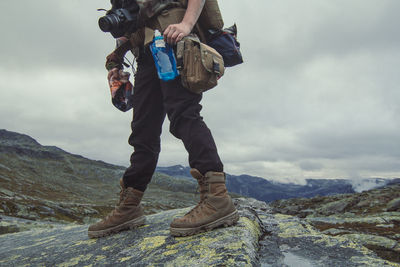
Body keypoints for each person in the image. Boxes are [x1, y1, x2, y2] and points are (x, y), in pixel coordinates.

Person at [88, 0, 238, 238]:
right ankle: (129, 206)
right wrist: (115, 60)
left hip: (174, 42)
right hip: (146, 53)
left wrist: (186, 24)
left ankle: (217, 198)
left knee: (183, 115)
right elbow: (132, 20)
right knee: (142, 130)